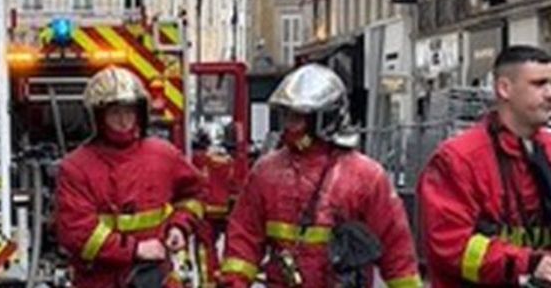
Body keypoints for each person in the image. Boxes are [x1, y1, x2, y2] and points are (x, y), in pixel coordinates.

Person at [219, 64, 419, 288]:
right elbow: (243, 241)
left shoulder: (366, 177)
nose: (289, 126)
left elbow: (397, 252)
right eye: (287, 116)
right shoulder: (266, 173)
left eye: (297, 118)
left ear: (323, 120)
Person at [55, 66, 208, 288]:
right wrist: (135, 249)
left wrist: (179, 226)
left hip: (155, 278)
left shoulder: (163, 155)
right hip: (100, 281)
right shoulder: (76, 167)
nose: (124, 120)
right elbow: (77, 233)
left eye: (129, 111)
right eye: (115, 112)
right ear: (98, 117)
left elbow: (194, 194)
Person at [418, 45, 551, 286]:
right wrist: (529, 263)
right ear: (504, 88)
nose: (549, 93)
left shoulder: (548, 150)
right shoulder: (458, 159)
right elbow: (452, 245)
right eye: (539, 84)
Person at [191, 133, 235, 238]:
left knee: (206, 242)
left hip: (206, 207)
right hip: (222, 207)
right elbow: (231, 182)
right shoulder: (227, 161)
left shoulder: (198, 160)